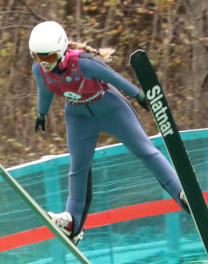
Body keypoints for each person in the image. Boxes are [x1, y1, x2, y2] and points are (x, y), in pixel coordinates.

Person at [29, 20, 190, 242]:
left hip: (110, 109)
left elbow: (114, 78)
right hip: (78, 116)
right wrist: (41, 114)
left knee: (146, 151)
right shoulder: (39, 70)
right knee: (78, 168)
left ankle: (184, 194)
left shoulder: (83, 64)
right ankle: (72, 223)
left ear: (61, 49)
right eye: (38, 57)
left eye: (48, 56)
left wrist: (139, 95)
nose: (43, 63)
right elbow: (44, 92)